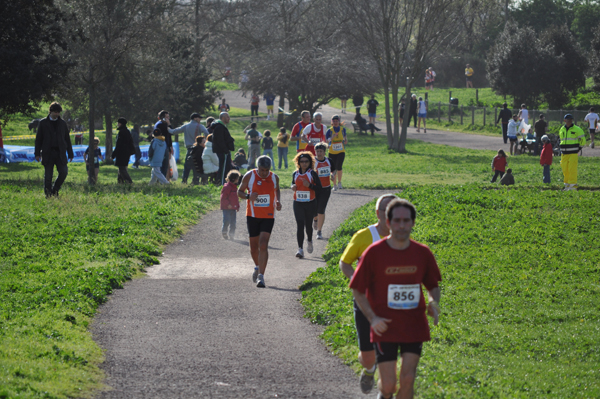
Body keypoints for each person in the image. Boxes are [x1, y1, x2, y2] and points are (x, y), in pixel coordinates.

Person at [350, 198, 441, 399]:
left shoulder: (422, 253)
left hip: (414, 325)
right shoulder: (374, 253)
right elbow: (357, 289)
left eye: (406, 221)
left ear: (413, 223)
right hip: (385, 326)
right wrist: (373, 318)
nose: (402, 225)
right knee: (389, 385)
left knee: (408, 379)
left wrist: (433, 301)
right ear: (388, 222)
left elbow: (433, 284)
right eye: (397, 220)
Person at [339, 194, 396, 394]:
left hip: (392, 302)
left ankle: (385, 390)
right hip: (365, 302)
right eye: (384, 210)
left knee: (389, 351)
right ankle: (370, 369)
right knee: (368, 356)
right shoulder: (364, 236)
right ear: (377, 213)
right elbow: (344, 263)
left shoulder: (403, 237)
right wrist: (358, 281)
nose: (388, 215)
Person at [237, 155, 282, 288]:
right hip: (252, 215)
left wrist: (278, 201)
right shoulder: (249, 176)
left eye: (266, 170)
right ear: (257, 168)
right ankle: (257, 266)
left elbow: (277, 189)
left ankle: (261, 276)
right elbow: (239, 192)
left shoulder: (274, 177)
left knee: (263, 244)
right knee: (253, 248)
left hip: (268, 216)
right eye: (262, 170)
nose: (264, 173)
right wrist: (248, 196)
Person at [34, 102, 74, 197]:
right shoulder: (43, 123)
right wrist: (37, 153)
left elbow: (67, 139)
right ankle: (48, 194)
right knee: (48, 177)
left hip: (60, 153)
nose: (57, 114)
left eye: (58, 112)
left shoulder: (62, 123)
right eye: (55, 112)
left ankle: (55, 189)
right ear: (50, 111)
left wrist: (70, 154)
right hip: (48, 153)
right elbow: (38, 139)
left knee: (64, 172)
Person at [291, 151, 322, 258]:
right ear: (298, 162)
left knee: (308, 225)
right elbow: (293, 183)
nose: (304, 163)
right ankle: (300, 249)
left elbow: (319, 188)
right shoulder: (295, 174)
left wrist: (310, 185)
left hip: (310, 203)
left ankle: (309, 240)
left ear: (310, 162)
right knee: (300, 225)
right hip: (298, 203)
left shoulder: (312, 173)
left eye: (306, 161)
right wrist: (292, 187)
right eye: (302, 161)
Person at [171, 113, 209, 184]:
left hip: (189, 149)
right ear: (195, 118)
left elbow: (174, 131)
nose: (200, 119)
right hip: (198, 149)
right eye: (199, 118)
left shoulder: (186, 126)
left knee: (187, 166)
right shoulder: (199, 126)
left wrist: (168, 129)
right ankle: (196, 180)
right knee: (197, 165)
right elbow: (206, 133)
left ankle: (184, 180)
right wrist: (204, 141)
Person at [312, 143, 335, 240]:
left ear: (324, 152)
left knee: (321, 209)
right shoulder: (313, 162)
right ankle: (315, 219)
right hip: (315, 189)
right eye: (317, 151)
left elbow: (333, 170)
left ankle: (319, 231)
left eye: (321, 151)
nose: (319, 153)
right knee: (314, 210)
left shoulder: (329, 161)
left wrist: (332, 175)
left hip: (326, 189)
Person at [559, 114, 586, 191]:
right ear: (565, 120)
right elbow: (562, 139)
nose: (569, 121)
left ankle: (573, 186)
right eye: (568, 120)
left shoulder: (577, 129)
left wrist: (579, 148)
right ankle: (567, 185)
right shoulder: (562, 129)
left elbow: (583, 140)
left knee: (572, 169)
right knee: (565, 169)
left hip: (573, 153)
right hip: (564, 153)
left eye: (571, 120)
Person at [212, 112, 235, 185]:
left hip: (224, 151)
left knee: (227, 168)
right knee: (223, 169)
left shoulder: (222, 126)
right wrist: (226, 150)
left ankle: (224, 183)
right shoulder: (219, 127)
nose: (229, 118)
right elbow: (220, 140)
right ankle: (221, 184)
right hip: (222, 152)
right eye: (227, 117)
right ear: (222, 118)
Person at [326, 115, 347, 190]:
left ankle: (339, 183)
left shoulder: (342, 129)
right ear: (332, 122)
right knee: (333, 168)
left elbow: (345, 137)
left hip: (341, 151)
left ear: (339, 121)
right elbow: (326, 140)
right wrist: (332, 137)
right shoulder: (330, 130)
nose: (335, 122)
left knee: (339, 166)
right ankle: (334, 185)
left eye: (336, 121)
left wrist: (345, 140)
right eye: (334, 121)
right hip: (332, 151)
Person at [112, 117, 135, 184]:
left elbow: (119, 145)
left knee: (122, 169)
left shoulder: (121, 132)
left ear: (121, 123)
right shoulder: (127, 131)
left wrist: (114, 154)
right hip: (126, 153)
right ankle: (120, 182)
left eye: (118, 123)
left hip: (122, 153)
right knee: (121, 168)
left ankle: (129, 182)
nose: (118, 124)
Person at [221, 170, 241, 240]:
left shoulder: (235, 187)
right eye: (237, 178)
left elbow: (236, 198)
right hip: (227, 208)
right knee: (226, 221)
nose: (238, 180)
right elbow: (223, 198)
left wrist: (237, 206)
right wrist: (227, 204)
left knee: (233, 223)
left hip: (233, 208)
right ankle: (224, 232)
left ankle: (231, 234)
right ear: (234, 179)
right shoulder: (227, 187)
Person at [154, 110, 173, 179]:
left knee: (166, 165)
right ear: (163, 118)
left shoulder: (164, 124)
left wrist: (171, 146)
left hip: (166, 146)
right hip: (162, 147)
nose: (168, 118)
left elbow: (169, 136)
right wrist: (169, 124)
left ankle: (165, 179)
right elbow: (171, 132)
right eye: (167, 117)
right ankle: (163, 180)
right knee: (164, 165)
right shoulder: (160, 125)